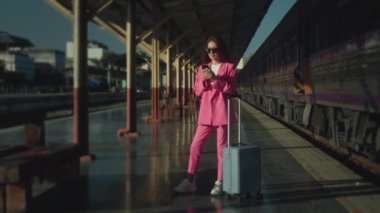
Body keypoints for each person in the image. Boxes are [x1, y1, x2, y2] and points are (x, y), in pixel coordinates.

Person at [174, 35, 237, 196]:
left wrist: (216, 79)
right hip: (206, 113)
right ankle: (189, 180)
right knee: (195, 145)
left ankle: (220, 182)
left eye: (214, 49)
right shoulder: (202, 68)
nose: (211, 53)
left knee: (221, 150)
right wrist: (202, 80)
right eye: (208, 50)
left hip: (222, 112)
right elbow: (198, 92)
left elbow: (230, 90)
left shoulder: (230, 67)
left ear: (220, 49)